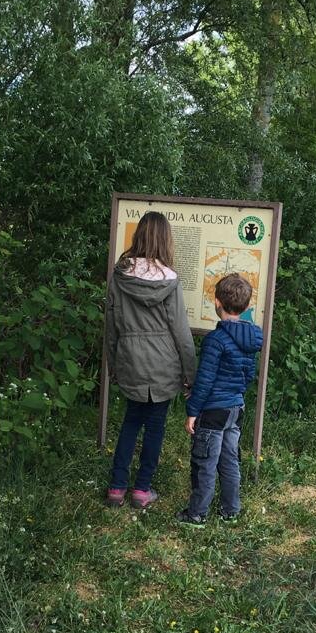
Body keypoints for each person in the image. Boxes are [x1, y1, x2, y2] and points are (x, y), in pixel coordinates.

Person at [105, 212, 196, 509]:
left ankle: (117, 488)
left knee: (130, 422)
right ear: (165, 240)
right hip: (163, 363)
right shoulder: (170, 280)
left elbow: (111, 325)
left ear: (138, 235)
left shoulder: (119, 276)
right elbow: (181, 331)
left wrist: (113, 365)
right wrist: (189, 373)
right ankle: (142, 489)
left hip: (130, 358)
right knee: (155, 426)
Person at [177, 273, 263, 526]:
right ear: (247, 307)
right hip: (236, 408)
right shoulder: (252, 339)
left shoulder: (216, 340)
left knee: (205, 461)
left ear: (216, 302)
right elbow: (248, 374)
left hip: (213, 411)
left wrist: (192, 410)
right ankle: (230, 510)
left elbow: (204, 380)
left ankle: (196, 513)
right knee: (229, 460)